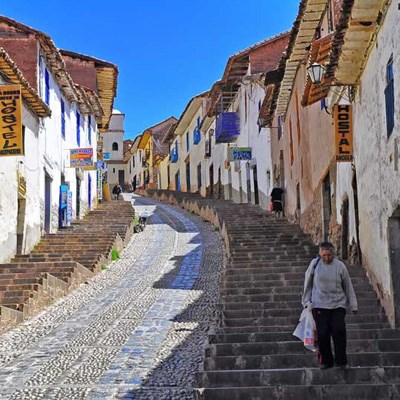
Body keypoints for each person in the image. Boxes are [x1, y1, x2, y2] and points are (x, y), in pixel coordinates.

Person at [302, 242, 358, 370]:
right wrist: (306, 302)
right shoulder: (315, 264)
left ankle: (341, 361)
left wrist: (353, 304)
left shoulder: (340, 266)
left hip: (338, 304)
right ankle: (326, 361)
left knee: (339, 330)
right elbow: (307, 283)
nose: (327, 258)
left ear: (333, 254)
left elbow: (348, 285)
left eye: (329, 255)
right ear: (320, 254)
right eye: (324, 255)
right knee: (323, 334)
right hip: (319, 304)